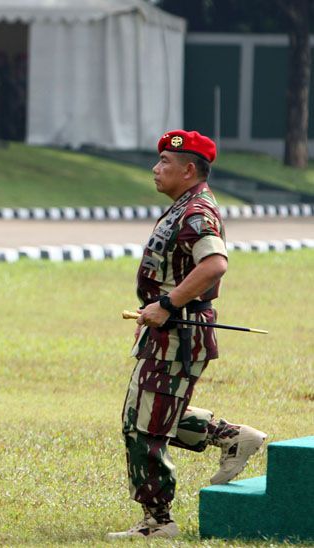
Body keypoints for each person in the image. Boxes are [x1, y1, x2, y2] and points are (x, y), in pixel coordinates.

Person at [108, 130, 267, 539]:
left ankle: (158, 522)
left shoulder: (197, 212)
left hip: (180, 332)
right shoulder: (183, 208)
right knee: (143, 416)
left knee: (143, 426)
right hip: (167, 332)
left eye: (165, 162)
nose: (156, 169)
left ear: (189, 169)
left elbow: (214, 264)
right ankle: (233, 437)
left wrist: (167, 304)